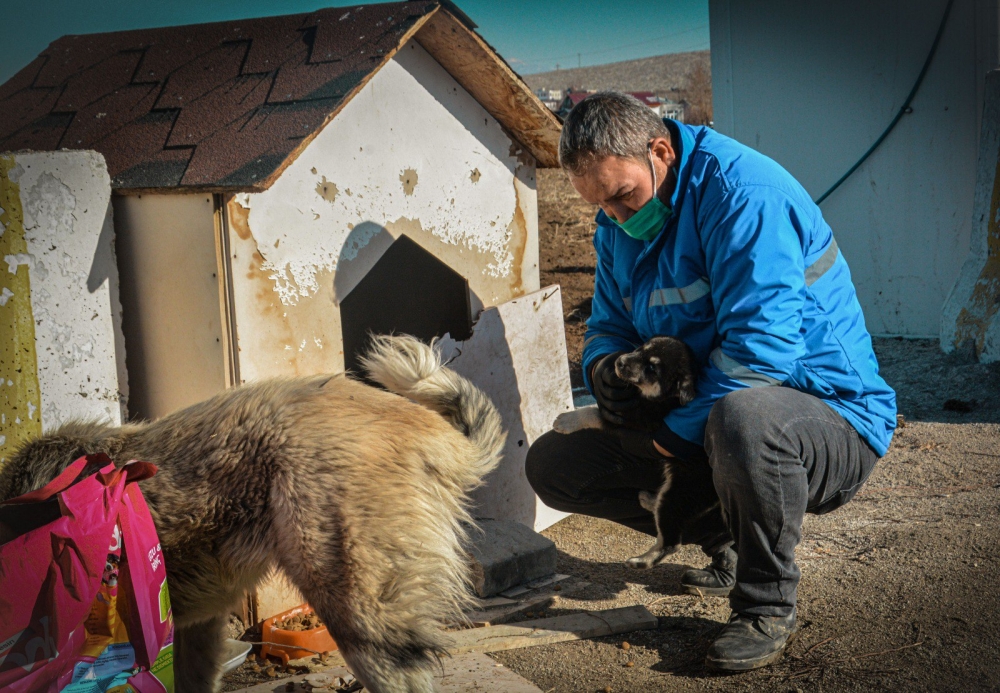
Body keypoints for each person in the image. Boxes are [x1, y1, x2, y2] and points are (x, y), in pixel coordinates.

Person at [525, 92, 896, 671]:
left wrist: (670, 439)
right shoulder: (618, 221)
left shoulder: (745, 196)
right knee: (556, 463)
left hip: (824, 413)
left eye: (622, 196)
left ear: (660, 151)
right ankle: (725, 537)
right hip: (707, 414)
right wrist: (604, 370)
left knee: (745, 419)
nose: (616, 218)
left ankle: (764, 606)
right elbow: (607, 326)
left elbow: (762, 353)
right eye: (600, 205)